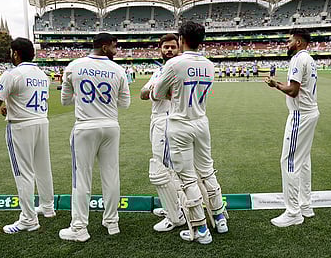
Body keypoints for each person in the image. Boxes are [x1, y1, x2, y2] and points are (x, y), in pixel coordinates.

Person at [152, 21, 228, 245]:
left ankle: (201, 229)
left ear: (182, 39)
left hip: (179, 123)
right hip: (201, 121)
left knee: (187, 179)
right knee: (207, 172)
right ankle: (220, 218)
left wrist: (172, 95)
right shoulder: (209, 64)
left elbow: (157, 94)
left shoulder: (174, 64)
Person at [59, 33, 131, 241]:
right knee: (111, 175)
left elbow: (65, 100)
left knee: (81, 177)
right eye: (114, 45)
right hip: (110, 126)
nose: (116, 49)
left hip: (85, 126)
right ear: (104, 46)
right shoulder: (118, 69)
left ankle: (79, 227)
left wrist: (83, 97)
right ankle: (112, 221)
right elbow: (125, 104)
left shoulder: (74, 66)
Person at [0, 37, 55, 234]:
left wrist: (5, 106)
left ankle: (28, 219)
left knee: (23, 172)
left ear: (15, 53)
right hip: (41, 122)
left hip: (20, 126)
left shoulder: (12, 74)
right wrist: (10, 107)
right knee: (43, 168)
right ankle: (47, 207)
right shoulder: (43, 75)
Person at [265, 28, 319, 227]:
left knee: (288, 161)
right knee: (303, 160)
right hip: (310, 112)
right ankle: (305, 205)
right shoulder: (310, 59)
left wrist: (276, 84)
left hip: (300, 115)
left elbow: (294, 91)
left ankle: (293, 212)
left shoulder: (298, 58)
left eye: (289, 41)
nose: (287, 44)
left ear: (297, 42)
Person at [140, 34, 186, 232]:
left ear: (179, 48)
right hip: (157, 119)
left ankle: (175, 215)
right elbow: (143, 94)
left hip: (169, 120)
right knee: (164, 166)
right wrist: (155, 89)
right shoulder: (160, 70)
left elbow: (168, 94)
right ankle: (172, 206)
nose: (168, 50)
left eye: (172, 47)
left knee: (166, 168)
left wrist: (155, 91)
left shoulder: (179, 69)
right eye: (165, 47)